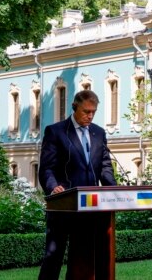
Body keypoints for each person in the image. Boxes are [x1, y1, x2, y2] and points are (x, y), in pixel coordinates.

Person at [38, 90, 117, 280]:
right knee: (53, 256)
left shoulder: (99, 132)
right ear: (74, 108)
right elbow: (46, 169)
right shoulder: (56, 131)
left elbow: (105, 166)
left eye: (93, 112)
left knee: (83, 258)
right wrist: (53, 187)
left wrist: (113, 189)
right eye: (86, 111)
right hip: (64, 205)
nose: (90, 116)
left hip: (91, 208)